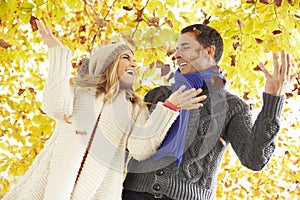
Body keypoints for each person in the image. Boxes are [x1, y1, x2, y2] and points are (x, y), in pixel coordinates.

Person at [3, 21, 207, 200]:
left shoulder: (135, 109)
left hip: (99, 192)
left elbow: (140, 149)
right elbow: (55, 106)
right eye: (126, 58)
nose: (133, 64)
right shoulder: (79, 91)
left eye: (134, 61)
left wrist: (169, 107)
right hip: (47, 187)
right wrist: (59, 53)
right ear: (107, 62)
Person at [122, 24, 298, 200]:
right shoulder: (159, 95)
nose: (177, 55)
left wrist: (273, 100)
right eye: (177, 49)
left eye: (185, 47)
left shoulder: (233, 107)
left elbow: (254, 159)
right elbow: (128, 145)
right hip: (134, 192)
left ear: (209, 51)